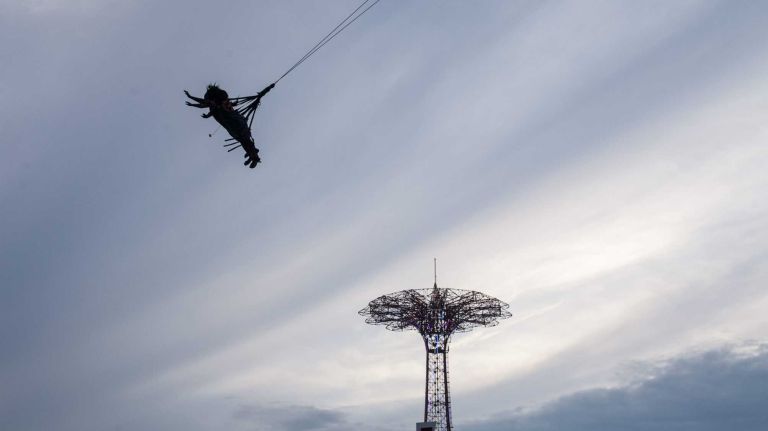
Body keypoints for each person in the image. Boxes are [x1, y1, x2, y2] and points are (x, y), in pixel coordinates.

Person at [185, 83, 274, 168]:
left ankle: (254, 156)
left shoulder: (217, 104)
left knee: (244, 140)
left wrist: (191, 98)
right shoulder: (222, 102)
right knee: (244, 140)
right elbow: (206, 105)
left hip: (234, 124)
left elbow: (203, 103)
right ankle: (253, 155)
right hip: (238, 123)